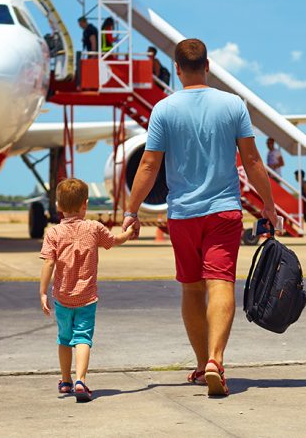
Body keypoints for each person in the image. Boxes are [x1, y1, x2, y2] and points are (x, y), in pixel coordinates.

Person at [122, 38, 277, 397]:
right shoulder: (232, 105)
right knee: (221, 283)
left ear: (177, 69)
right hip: (223, 210)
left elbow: (149, 164)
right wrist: (268, 204)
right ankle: (216, 360)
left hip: (183, 214)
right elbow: (252, 161)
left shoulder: (164, 109)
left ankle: (200, 360)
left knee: (192, 288)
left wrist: (131, 210)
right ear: (208, 66)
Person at [39, 178, 134, 402]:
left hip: (62, 297)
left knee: (64, 339)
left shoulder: (53, 233)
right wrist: (128, 233)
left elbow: (48, 264)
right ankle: (81, 380)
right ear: (85, 204)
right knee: (83, 338)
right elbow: (114, 240)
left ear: (58, 206)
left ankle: (65, 381)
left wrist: (43, 292)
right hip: (87, 297)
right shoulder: (94, 228)